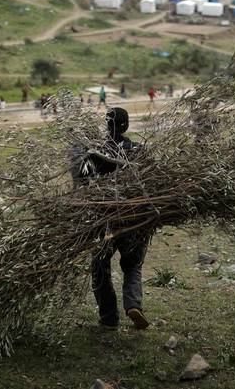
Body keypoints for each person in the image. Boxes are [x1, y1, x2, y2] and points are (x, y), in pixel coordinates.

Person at [76, 108, 150, 331]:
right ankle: (133, 305)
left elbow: (81, 183)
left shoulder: (94, 152)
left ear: (106, 126)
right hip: (134, 219)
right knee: (133, 265)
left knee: (100, 266)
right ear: (126, 126)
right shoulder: (138, 150)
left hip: (104, 220)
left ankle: (109, 318)